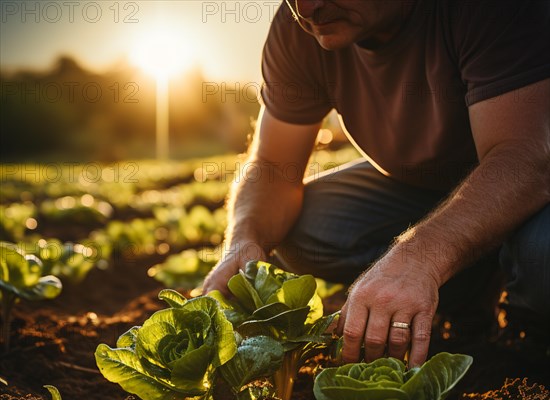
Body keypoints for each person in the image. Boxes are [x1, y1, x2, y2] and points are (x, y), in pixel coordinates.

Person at [203, 0, 550, 366]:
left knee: (542, 256)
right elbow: (273, 165)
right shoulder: (297, 29)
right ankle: (469, 295)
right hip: (428, 192)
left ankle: (529, 330)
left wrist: (418, 258)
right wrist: (243, 240)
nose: (305, 8)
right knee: (309, 226)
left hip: (535, 186)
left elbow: (524, 161)